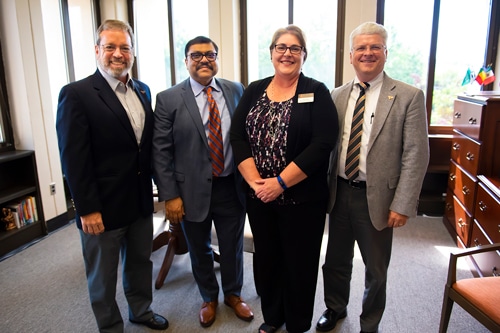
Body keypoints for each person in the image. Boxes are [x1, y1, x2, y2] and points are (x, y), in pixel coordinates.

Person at [56, 19, 168, 332]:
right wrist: (86, 208)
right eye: (110, 47)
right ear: (97, 50)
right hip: (101, 208)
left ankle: (141, 311)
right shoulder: (77, 94)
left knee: (139, 264)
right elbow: (73, 159)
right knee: (102, 276)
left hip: (139, 203)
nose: (117, 54)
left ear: (133, 52)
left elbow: (145, 150)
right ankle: (110, 326)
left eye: (124, 47)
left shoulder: (143, 90)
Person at [317, 22, 429, 333]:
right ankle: (334, 308)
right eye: (362, 48)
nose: (368, 53)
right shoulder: (335, 95)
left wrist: (403, 203)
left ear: (385, 53)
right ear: (351, 55)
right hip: (339, 193)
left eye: (375, 47)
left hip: (379, 197)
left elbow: (416, 154)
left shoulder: (408, 96)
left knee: (376, 269)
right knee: (335, 262)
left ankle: (370, 323)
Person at [230, 25, 338, 333]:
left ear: (304, 55)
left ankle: (298, 323)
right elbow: (237, 137)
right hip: (260, 198)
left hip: (302, 200)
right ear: (271, 52)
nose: (287, 54)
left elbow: (322, 143)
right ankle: (273, 317)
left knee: (299, 264)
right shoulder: (253, 89)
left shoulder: (317, 91)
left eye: (294, 48)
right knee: (268, 260)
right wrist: (256, 184)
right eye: (281, 47)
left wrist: (279, 183)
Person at [152, 36, 254, 328]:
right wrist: (170, 195)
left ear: (217, 58)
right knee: (199, 247)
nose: (204, 60)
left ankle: (233, 295)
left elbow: (245, 137)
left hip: (230, 185)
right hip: (188, 191)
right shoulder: (168, 98)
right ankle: (208, 297)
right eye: (195, 55)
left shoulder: (236, 90)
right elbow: (160, 152)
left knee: (233, 245)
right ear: (185, 61)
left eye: (210, 54)